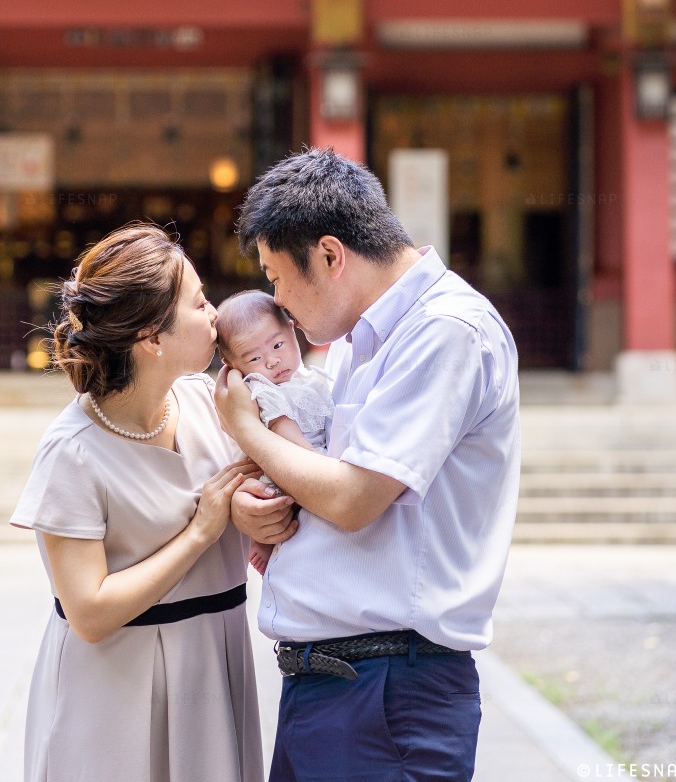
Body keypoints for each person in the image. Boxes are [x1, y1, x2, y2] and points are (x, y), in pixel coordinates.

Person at [214, 149, 521, 782]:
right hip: (336, 683)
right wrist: (260, 505)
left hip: (388, 690)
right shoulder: (361, 338)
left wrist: (247, 428)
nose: (275, 301)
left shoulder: (446, 331)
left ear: (330, 255)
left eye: (275, 277)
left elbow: (356, 499)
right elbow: (322, 474)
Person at [10, 224, 264, 782]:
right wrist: (201, 532)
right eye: (199, 304)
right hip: (113, 692)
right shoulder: (72, 452)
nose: (215, 314)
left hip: (213, 671)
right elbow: (91, 612)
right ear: (152, 336)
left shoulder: (209, 403)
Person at [213, 289, 334, 574]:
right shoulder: (263, 390)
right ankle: (262, 544)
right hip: (291, 461)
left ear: (292, 331)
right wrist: (326, 466)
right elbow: (283, 432)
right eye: (253, 358)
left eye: (278, 345)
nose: (271, 361)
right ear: (233, 366)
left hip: (312, 459)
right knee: (276, 502)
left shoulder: (306, 378)